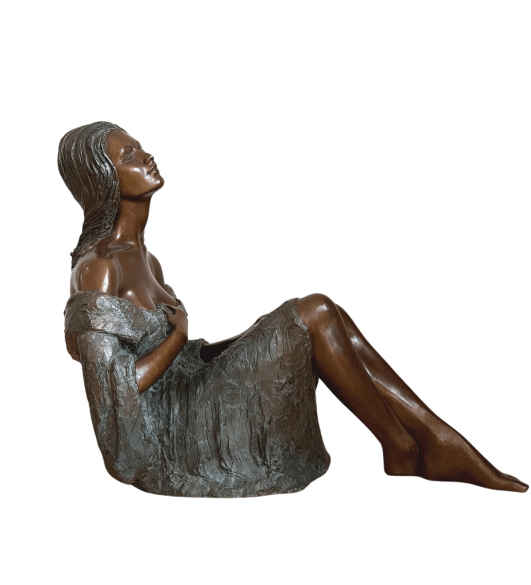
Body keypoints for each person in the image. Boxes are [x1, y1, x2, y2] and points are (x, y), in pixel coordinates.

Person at [60, 121, 527, 496]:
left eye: (140, 146)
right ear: (104, 180)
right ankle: (406, 444)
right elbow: (115, 391)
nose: (145, 156)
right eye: (128, 155)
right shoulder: (99, 268)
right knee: (313, 313)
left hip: (191, 381)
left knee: (330, 318)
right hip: (170, 431)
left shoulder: (147, 260)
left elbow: (178, 355)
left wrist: (230, 342)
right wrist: (179, 337)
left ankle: (424, 437)